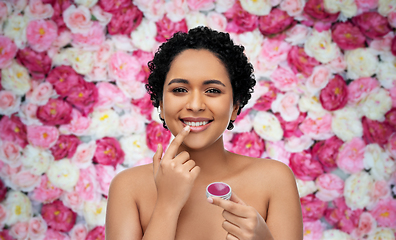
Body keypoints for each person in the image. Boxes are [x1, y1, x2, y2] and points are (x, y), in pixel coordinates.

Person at [105, 26, 303, 240]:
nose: (196, 105)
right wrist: (167, 205)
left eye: (213, 91)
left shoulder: (274, 180)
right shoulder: (127, 188)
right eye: (180, 90)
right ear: (161, 104)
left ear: (235, 106)